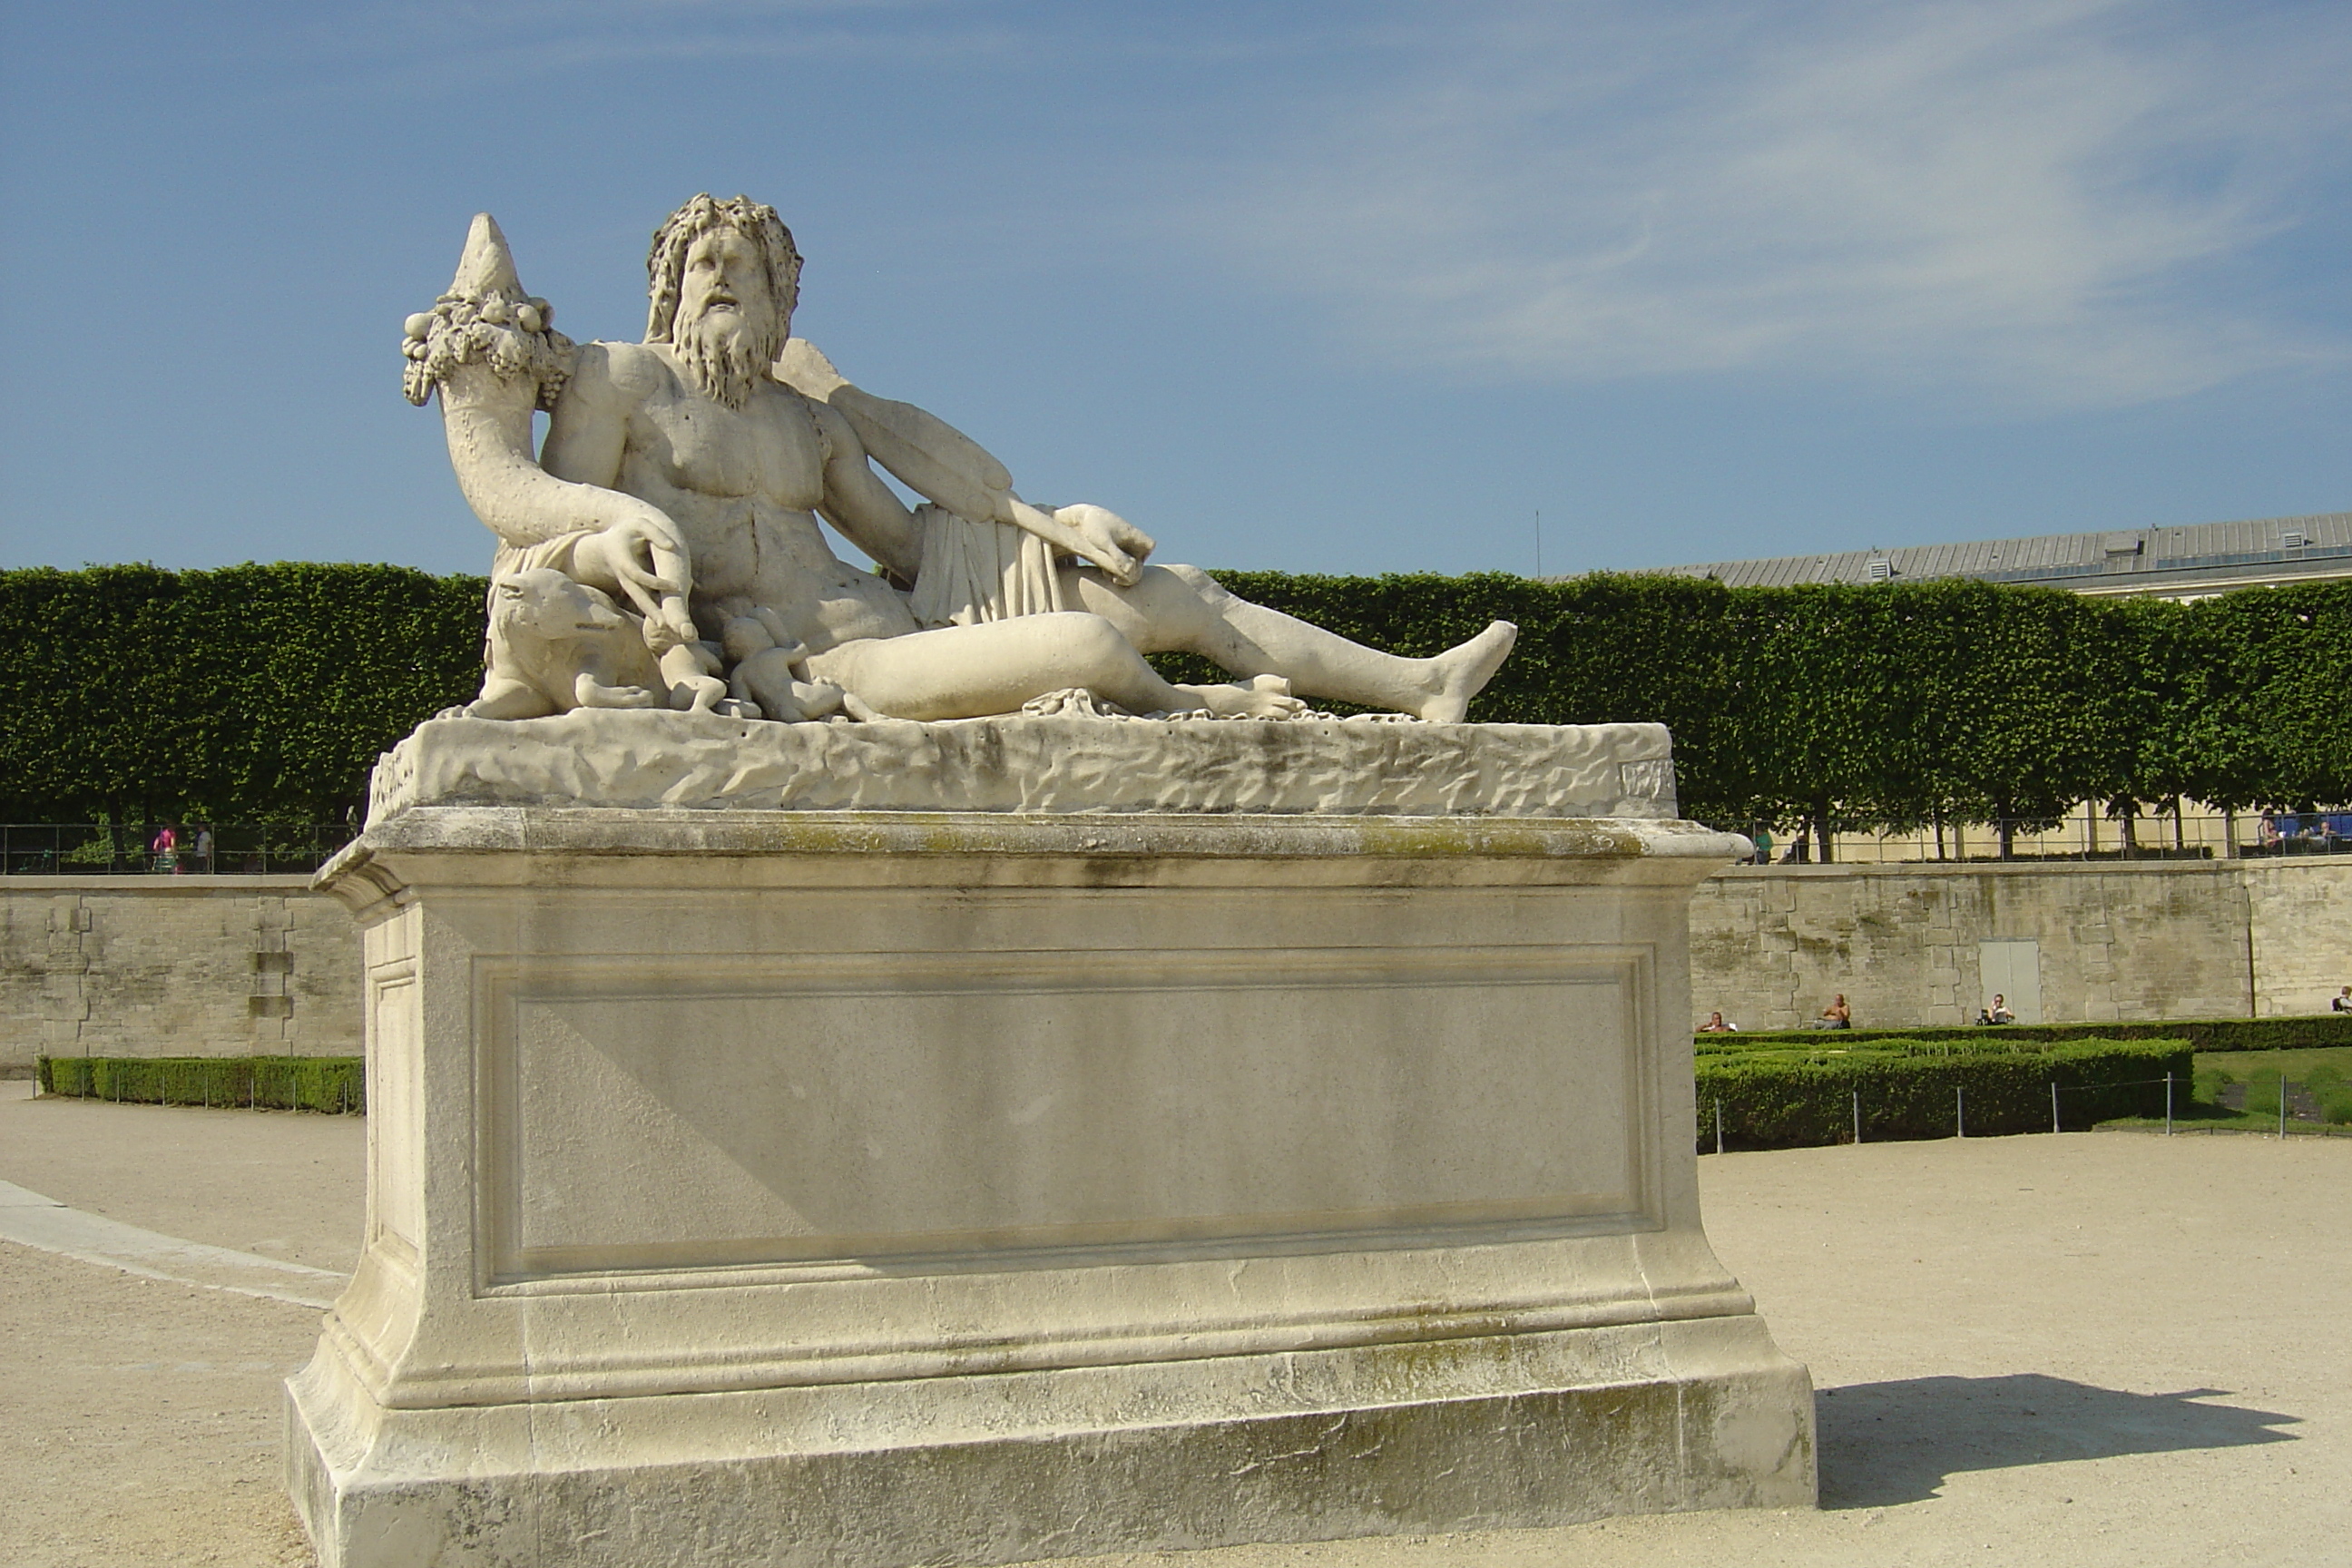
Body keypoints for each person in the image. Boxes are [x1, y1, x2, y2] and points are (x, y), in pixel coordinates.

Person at [450, 194, 1519, 723]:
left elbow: (909, 545)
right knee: (1088, 655)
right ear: (666, 286)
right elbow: (539, 504)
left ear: (782, 304)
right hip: (823, 666)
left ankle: (1419, 682)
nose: (718, 277)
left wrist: (1055, 526)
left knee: (1169, 592)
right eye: (700, 264)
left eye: (744, 268)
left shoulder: (812, 425)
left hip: (899, 615)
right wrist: (612, 535)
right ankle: (1207, 713)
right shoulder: (620, 380)